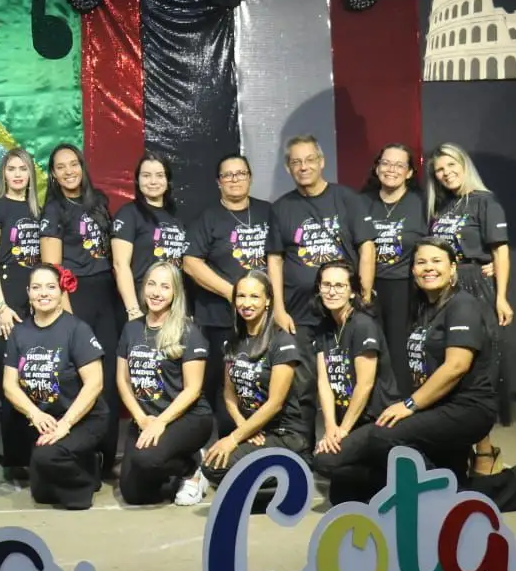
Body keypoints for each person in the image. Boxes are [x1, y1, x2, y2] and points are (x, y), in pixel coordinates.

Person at [311, 238, 516, 511]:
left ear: (453, 268)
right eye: (421, 262)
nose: (428, 268)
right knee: (346, 488)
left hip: (466, 409)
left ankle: (452, 493)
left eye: (437, 261)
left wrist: (410, 404)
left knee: (382, 436)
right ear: (413, 270)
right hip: (435, 409)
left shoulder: (462, 306)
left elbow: (456, 367)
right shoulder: (425, 309)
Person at [178, 271, 312, 506]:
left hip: (284, 434)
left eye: (254, 297)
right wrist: (244, 428)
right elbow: (229, 394)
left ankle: (293, 473)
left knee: (219, 468)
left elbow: (275, 404)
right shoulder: (233, 341)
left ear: (268, 300)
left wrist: (234, 439)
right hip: (253, 431)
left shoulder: (282, 342)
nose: (246, 303)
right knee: (213, 466)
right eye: (241, 296)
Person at [426, 142, 514, 471]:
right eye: (440, 170)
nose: (446, 173)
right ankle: (455, 447)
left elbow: (501, 251)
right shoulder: (442, 207)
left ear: (464, 166)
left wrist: (501, 296)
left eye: (452, 166)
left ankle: (485, 450)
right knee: (444, 367)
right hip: (442, 288)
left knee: (476, 371)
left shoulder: (485, 201)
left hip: (474, 287)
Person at [39, 143, 120, 477]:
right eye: (61, 167)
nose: (69, 171)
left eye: (73, 164)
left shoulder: (98, 200)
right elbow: (53, 269)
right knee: (81, 377)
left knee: (109, 376)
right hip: (77, 295)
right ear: (54, 175)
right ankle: (82, 455)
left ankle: (107, 455)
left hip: (107, 295)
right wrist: (68, 316)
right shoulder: (53, 210)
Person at [1, 263, 109, 510]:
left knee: (48, 459)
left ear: (61, 291)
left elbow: (95, 383)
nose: (43, 293)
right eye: (36, 287)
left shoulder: (77, 329)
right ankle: (84, 462)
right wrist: (34, 414)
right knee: (42, 494)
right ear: (28, 292)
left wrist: (65, 425)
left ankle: (86, 482)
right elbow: (9, 385)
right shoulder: (19, 333)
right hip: (46, 419)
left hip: (84, 417)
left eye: (50, 287)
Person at [115, 261, 212, 506]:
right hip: (147, 418)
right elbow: (122, 381)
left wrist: (161, 422)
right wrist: (141, 418)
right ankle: (173, 467)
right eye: (152, 284)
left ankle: (192, 469)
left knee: (147, 459)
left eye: (165, 287)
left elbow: (193, 389)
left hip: (187, 417)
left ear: (175, 293)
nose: (156, 292)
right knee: (133, 493)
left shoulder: (188, 331)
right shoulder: (131, 329)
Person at [183, 154, 271, 417]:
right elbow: (190, 263)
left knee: (263, 376)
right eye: (227, 175)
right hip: (220, 319)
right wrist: (233, 294)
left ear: (250, 178)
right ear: (218, 182)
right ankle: (225, 434)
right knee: (225, 383)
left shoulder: (268, 212)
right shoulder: (207, 218)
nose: (235, 179)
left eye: (240, 173)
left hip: (265, 318)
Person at [266, 136, 375, 341]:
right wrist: (278, 310)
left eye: (310, 160)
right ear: (288, 168)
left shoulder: (348, 198)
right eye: (296, 162)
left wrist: (365, 298)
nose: (303, 167)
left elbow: (367, 248)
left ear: (321, 162)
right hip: (298, 315)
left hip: (344, 312)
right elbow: (275, 260)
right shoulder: (280, 208)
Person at [309, 260, 399, 503]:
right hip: (350, 423)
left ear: (352, 291)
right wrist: (330, 428)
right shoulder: (324, 328)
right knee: (341, 494)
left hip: (376, 419)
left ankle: (395, 478)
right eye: (326, 285)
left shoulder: (363, 325)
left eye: (340, 285)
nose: (332, 291)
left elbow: (365, 384)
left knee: (325, 461)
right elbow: (324, 382)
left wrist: (343, 431)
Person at [0, 147, 42, 478]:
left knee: (38, 373)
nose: (18, 174)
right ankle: (14, 457)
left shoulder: (39, 211)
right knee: (12, 377)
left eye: (23, 168)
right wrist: (1, 307)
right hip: (8, 305)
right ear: (3, 174)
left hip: (38, 302)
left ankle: (39, 449)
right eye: (12, 168)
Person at [361, 145, 427, 395]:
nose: (391, 169)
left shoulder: (422, 203)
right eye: (386, 163)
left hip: (406, 288)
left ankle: (400, 401)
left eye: (399, 165)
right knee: (369, 347)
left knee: (400, 348)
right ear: (377, 167)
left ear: (409, 172)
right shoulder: (360, 202)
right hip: (368, 286)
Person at [112, 154, 188, 323]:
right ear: (137, 180)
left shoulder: (175, 217)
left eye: (159, 175)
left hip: (172, 306)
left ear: (167, 180)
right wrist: (133, 310)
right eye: (146, 175)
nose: (153, 181)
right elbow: (120, 265)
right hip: (142, 305)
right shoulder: (128, 214)